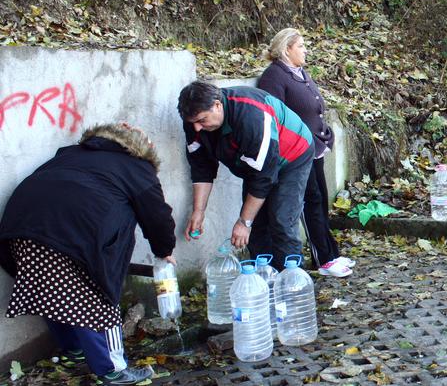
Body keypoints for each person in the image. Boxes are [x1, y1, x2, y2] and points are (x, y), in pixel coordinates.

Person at [0, 123, 176, 385]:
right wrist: (165, 250)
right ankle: (113, 369)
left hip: (22, 229)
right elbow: (157, 216)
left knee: (50, 288)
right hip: (78, 236)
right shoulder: (138, 167)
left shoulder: (70, 154)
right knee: (99, 299)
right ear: (138, 150)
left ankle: (73, 350)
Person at [177, 81, 314, 271]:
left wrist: (243, 222)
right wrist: (198, 211)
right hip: (255, 165)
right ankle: (263, 279)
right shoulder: (194, 123)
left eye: (202, 120)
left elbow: (263, 177)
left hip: (292, 154)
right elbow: (202, 167)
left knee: (281, 220)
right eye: (193, 123)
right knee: (257, 223)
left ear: (217, 105)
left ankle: (291, 281)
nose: (197, 128)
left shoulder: (250, 116)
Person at [257, 28, 354, 278]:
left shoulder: (300, 73)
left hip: (314, 148)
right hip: (295, 153)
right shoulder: (274, 77)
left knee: (320, 200)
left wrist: (324, 131)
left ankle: (330, 253)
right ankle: (323, 259)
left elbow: (314, 109)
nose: (305, 49)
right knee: (309, 202)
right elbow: (273, 117)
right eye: (300, 45)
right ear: (286, 48)